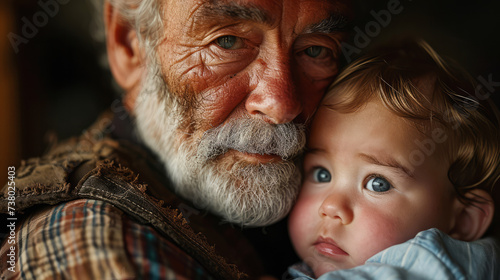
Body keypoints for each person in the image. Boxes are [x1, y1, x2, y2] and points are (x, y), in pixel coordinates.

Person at [0, 0, 354, 279]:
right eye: (227, 42)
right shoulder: (104, 250)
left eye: (316, 50)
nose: (282, 104)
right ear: (129, 42)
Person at [286, 40, 500, 279]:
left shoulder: (428, 265)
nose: (330, 207)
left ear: (463, 221)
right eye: (321, 174)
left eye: (378, 183)